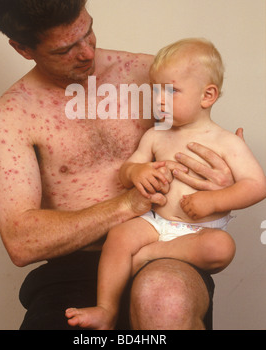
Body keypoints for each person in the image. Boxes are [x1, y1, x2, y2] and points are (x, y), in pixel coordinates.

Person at [0, 0, 240, 330]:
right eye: (64, 49)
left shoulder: (145, 74)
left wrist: (222, 179)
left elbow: (200, 150)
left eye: (87, 32)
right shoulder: (13, 115)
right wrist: (127, 204)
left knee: (164, 299)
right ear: (23, 49)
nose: (87, 52)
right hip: (70, 273)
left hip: (164, 251)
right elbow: (21, 242)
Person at [66, 38, 266, 330]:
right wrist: (137, 173)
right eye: (156, 90)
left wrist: (213, 201)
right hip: (155, 222)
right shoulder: (155, 135)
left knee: (222, 247)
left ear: (207, 95)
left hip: (199, 232)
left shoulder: (227, 142)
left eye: (171, 91)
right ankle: (105, 310)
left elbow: (256, 185)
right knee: (119, 236)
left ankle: (149, 255)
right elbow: (126, 170)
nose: (159, 100)